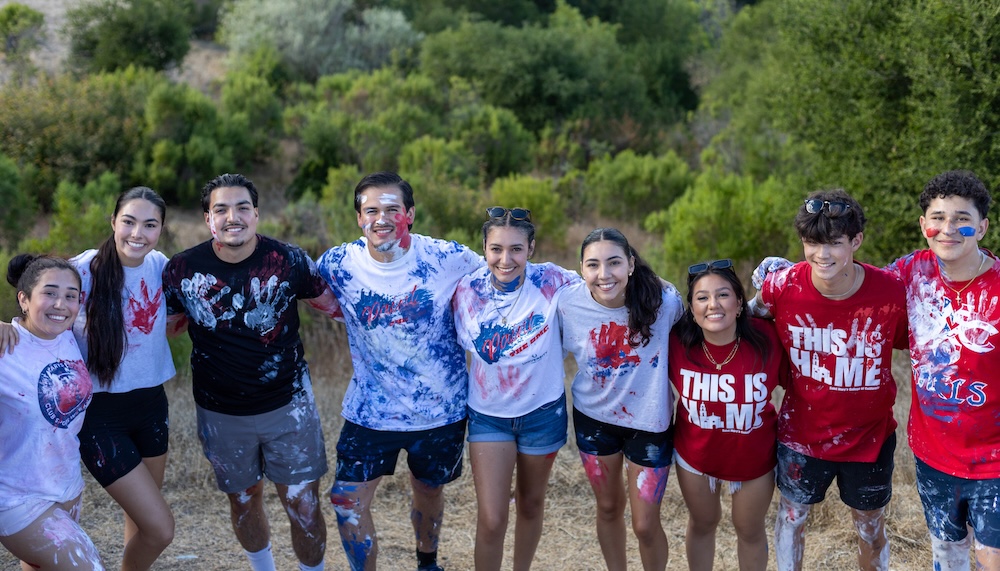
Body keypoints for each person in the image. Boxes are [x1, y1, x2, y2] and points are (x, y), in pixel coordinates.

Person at [162, 173, 341, 571]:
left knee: (303, 504)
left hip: (289, 406)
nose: (233, 217)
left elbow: (338, 308)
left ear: (257, 214)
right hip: (221, 411)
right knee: (243, 501)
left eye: (242, 207)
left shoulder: (289, 260)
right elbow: (157, 323)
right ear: (207, 219)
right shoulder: (182, 270)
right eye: (221, 209)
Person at [0, 187, 176, 570]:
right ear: (113, 222)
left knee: (144, 519)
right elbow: (40, 293)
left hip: (150, 404)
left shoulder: (161, 265)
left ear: (161, 229)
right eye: (128, 221)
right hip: (100, 411)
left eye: (150, 225)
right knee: (159, 527)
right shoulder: (82, 270)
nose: (137, 233)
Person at [315, 171, 482, 571]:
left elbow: (497, 277)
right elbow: (311, 295)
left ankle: (428, 563)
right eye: (370, 210)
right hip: (371, 410)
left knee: (428, 490)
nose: (381, 218)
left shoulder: (448, 257)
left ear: (409, 213)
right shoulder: (338, 263)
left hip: (440, 410)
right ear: (359, 218)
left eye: (392, 209)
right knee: (346, 500)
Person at [752, 189, 908, 571]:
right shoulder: (781, 285)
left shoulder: (890, 291)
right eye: (812, 243)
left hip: (869, 437)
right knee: (792, 519)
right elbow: (748, 323)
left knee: (870, 528)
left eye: (834, 244)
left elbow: (917, 343)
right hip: (801, 434)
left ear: (855, 241)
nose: (822, 255)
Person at [883, 170, 1000, 570]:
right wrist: (788, 277)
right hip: (933, 454)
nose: (947, 229)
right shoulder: (908, 273)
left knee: (991, 559)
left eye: (962, 219)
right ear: (923, 225)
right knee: (948, 558)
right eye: (938, 218)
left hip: (994, 459)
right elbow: (851, 289)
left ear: (982, 227)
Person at [451, 207, 578, 570]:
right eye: (496, 249)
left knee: (531, 504)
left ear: (531, 248)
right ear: (485, 249)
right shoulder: (467, 290)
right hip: (489, 416)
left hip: (543, 413)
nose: (506, 259)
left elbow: (603, 289)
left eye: (516, 249)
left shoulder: (553, 280)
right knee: (492, 518)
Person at [558, 228, 683, 571]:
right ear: (581, 269)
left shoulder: (665, 302)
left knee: (645, 524)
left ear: (630, 264)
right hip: (594, 421)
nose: (604, 274)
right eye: (593, 265)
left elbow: (703, 337)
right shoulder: (568, 304)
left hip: (650, 423)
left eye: (613, 263)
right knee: (609, 507)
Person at [670, 258, 787, 571]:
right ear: (691, 310)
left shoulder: (768, 338)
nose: (713, 305)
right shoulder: (676, 343)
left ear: (739, 303)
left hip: (754, 459)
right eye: (702, 297)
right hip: (695, 457)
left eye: (723, 295)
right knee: (703, 522)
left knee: (749, 529)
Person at [0, 254, 104, 571]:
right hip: (16, 496)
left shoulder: (69, 337)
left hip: (66, 484)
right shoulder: (5, 347)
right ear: (24, 299)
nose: (60, 304)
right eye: (49, 293)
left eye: (70, 296)